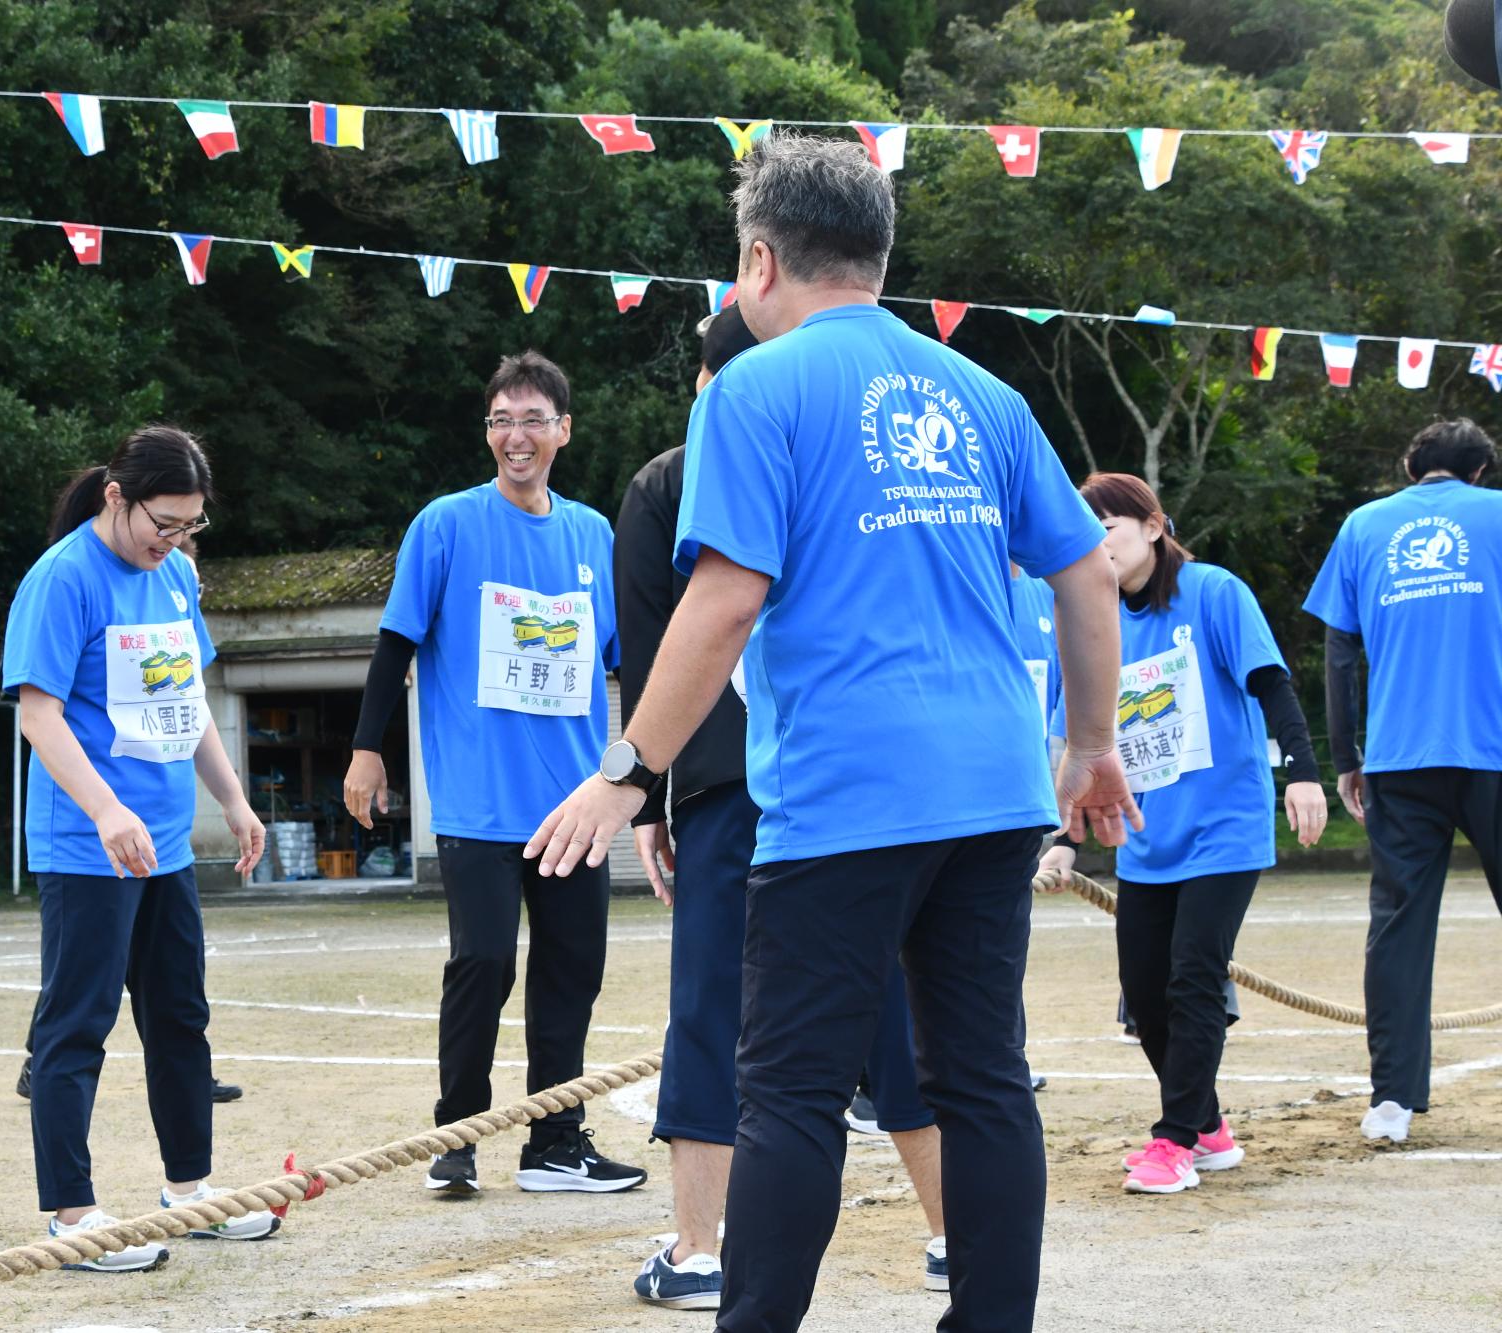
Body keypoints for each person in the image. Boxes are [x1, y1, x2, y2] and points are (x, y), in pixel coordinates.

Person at [524, 132, 1138, 1332]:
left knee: (790, 1092)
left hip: (843, 799)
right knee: (983, 1084)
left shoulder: (755, 389)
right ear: (876, 254)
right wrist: (1090, 745)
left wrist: (624, 773)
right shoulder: (984, 392)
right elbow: (1085, 579)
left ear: (757, 262)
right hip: (990, 794)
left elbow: (723, 600)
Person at [618, 304, 949, 1309]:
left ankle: (696, 1247)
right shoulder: (858, 457)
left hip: (730, 783)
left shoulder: (670, 478)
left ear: (701, 383)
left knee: (712, 1010)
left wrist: (645, 797)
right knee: (894, 1003)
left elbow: (647, 647)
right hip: (858, 785)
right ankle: (950, 1234)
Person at [343, 350, 646, 1198]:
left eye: (533, 419)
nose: (517, 435)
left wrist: (649, 780)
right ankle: (458, 1136)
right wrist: (368, 748)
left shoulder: (593, 534)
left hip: (575, 806)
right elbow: (395, 643)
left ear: (564, 432)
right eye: (502, 420)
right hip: (480, 800)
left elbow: (629, 664)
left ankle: (556, 1140)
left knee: (571, 967)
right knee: (481, 962)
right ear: (489, 432)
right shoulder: (445, 524)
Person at [3, 423, 274, 1271]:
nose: (176, 540)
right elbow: (37, 713)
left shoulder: (178, 577)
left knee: (180, 1019)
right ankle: (73, 1216)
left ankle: (190, 1195)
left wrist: (232, 798)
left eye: (192, 525)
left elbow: (187, 698)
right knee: (76, 1026)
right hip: (87, 847)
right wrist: (105, 809)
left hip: (163, 846)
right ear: (117, 497)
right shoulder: (63, 579)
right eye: (165, 521)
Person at [1037, 473, 1326, 1193]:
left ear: (1155, 526)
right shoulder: (1083, 614)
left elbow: (1271, 684)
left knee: (1194, 977)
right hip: (1144, 839)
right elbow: (1068, 740)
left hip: (1222, 827)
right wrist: (1063, 838)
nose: (1098, 541)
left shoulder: (1214, 591)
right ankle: (1208, 1123)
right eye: (1086, 528)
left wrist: (1305, 770)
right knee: (1145, 992)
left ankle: (1173, 1142)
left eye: (1111, 525)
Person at [1304, 417, 1502, 1144]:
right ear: (1479, 471)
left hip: (1399, 754)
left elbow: (1338, 652)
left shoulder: (1363, 525)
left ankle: (1391, 1102)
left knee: (1397, 927)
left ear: (1413, 466)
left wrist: (1346, 755)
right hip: (1495, 746)